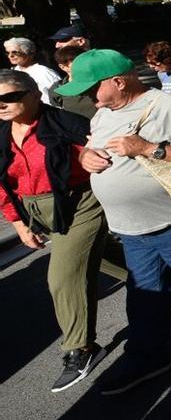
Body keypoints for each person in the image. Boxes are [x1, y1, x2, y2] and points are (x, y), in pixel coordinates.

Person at [59, 49, 171, 395]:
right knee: (144, 297)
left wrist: (147, 148)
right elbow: (91, 147)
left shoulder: (166, 106)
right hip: (130, 227)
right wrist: (86, 157)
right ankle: (147, 356)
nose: (87, 96)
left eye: (91, 88)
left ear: (118, 82)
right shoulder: (103, 113)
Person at [0, 69, 120, 392]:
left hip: (80, 203)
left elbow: (100, 154)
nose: (1, 104)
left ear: (34, 95)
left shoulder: (66, 124)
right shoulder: (2, 134)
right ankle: (156, 277)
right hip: (37, 210)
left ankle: (81, 347)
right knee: (100, 257)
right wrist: (19, 224)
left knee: (63, 276)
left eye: (9, 97)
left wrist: (92, 153)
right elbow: (2, 185)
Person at [5, 37, 61, 104]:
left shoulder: (45, 73)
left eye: (15, 52)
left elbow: (61, 97)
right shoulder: (13, 72)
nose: (10, 56)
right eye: (7, 53)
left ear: (29, 53)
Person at [49, 46, 99, 119]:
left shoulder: (98, 80)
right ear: (63, 67)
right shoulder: (57, 89)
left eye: (83, 60)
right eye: (77, 62)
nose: (82, 64)